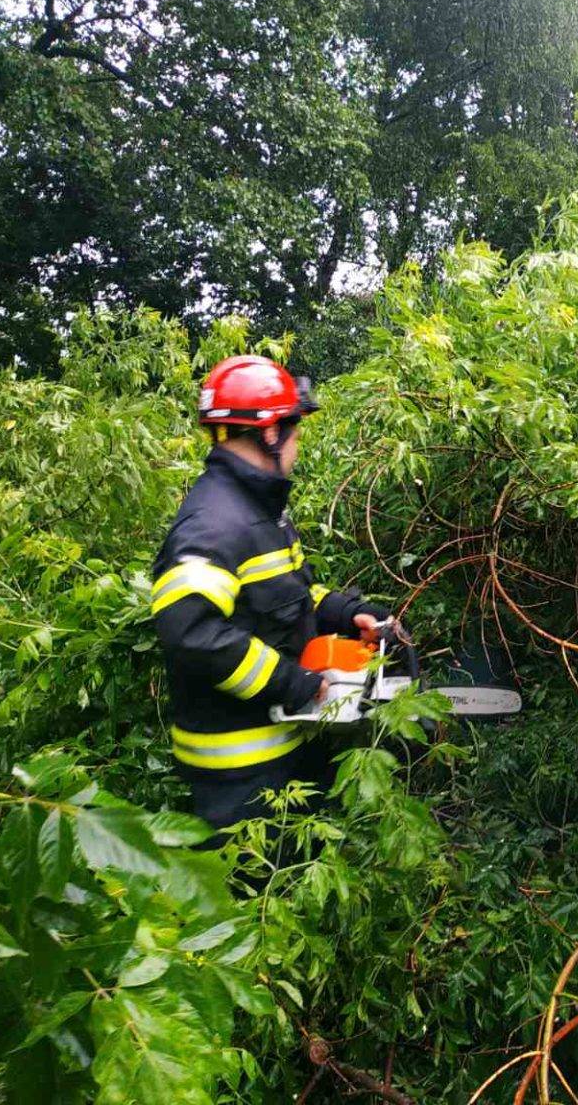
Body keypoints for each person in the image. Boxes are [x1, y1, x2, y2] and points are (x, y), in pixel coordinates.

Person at [150, 354, 392, 839]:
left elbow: (292, 593)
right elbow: (190, 633)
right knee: (258, 885)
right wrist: (293, 682)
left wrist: (347, 613)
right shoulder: (213, 524)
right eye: (295, 432)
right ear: (270, 433)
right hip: (239, 773)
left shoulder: (258, 510)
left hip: (281, 753)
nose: (297, 446)